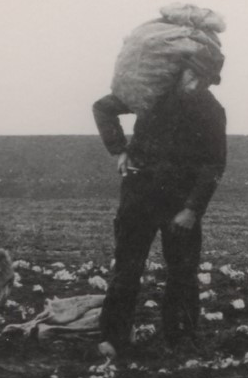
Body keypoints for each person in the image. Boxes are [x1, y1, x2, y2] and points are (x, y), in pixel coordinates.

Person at [92, 50, 228, 359]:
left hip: (180, 202)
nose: (194, 85)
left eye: (203, 81)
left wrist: (193, 209)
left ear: (210, 82)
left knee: (183, 272)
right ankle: (114, 338)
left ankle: (180, 339)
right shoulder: (151, 93)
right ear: (180, 71)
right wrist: (119, 149)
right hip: (139, 195)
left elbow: (213, 165)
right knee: (127, 268)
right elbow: (102, 108)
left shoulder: (212, 111)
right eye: (191, 76)